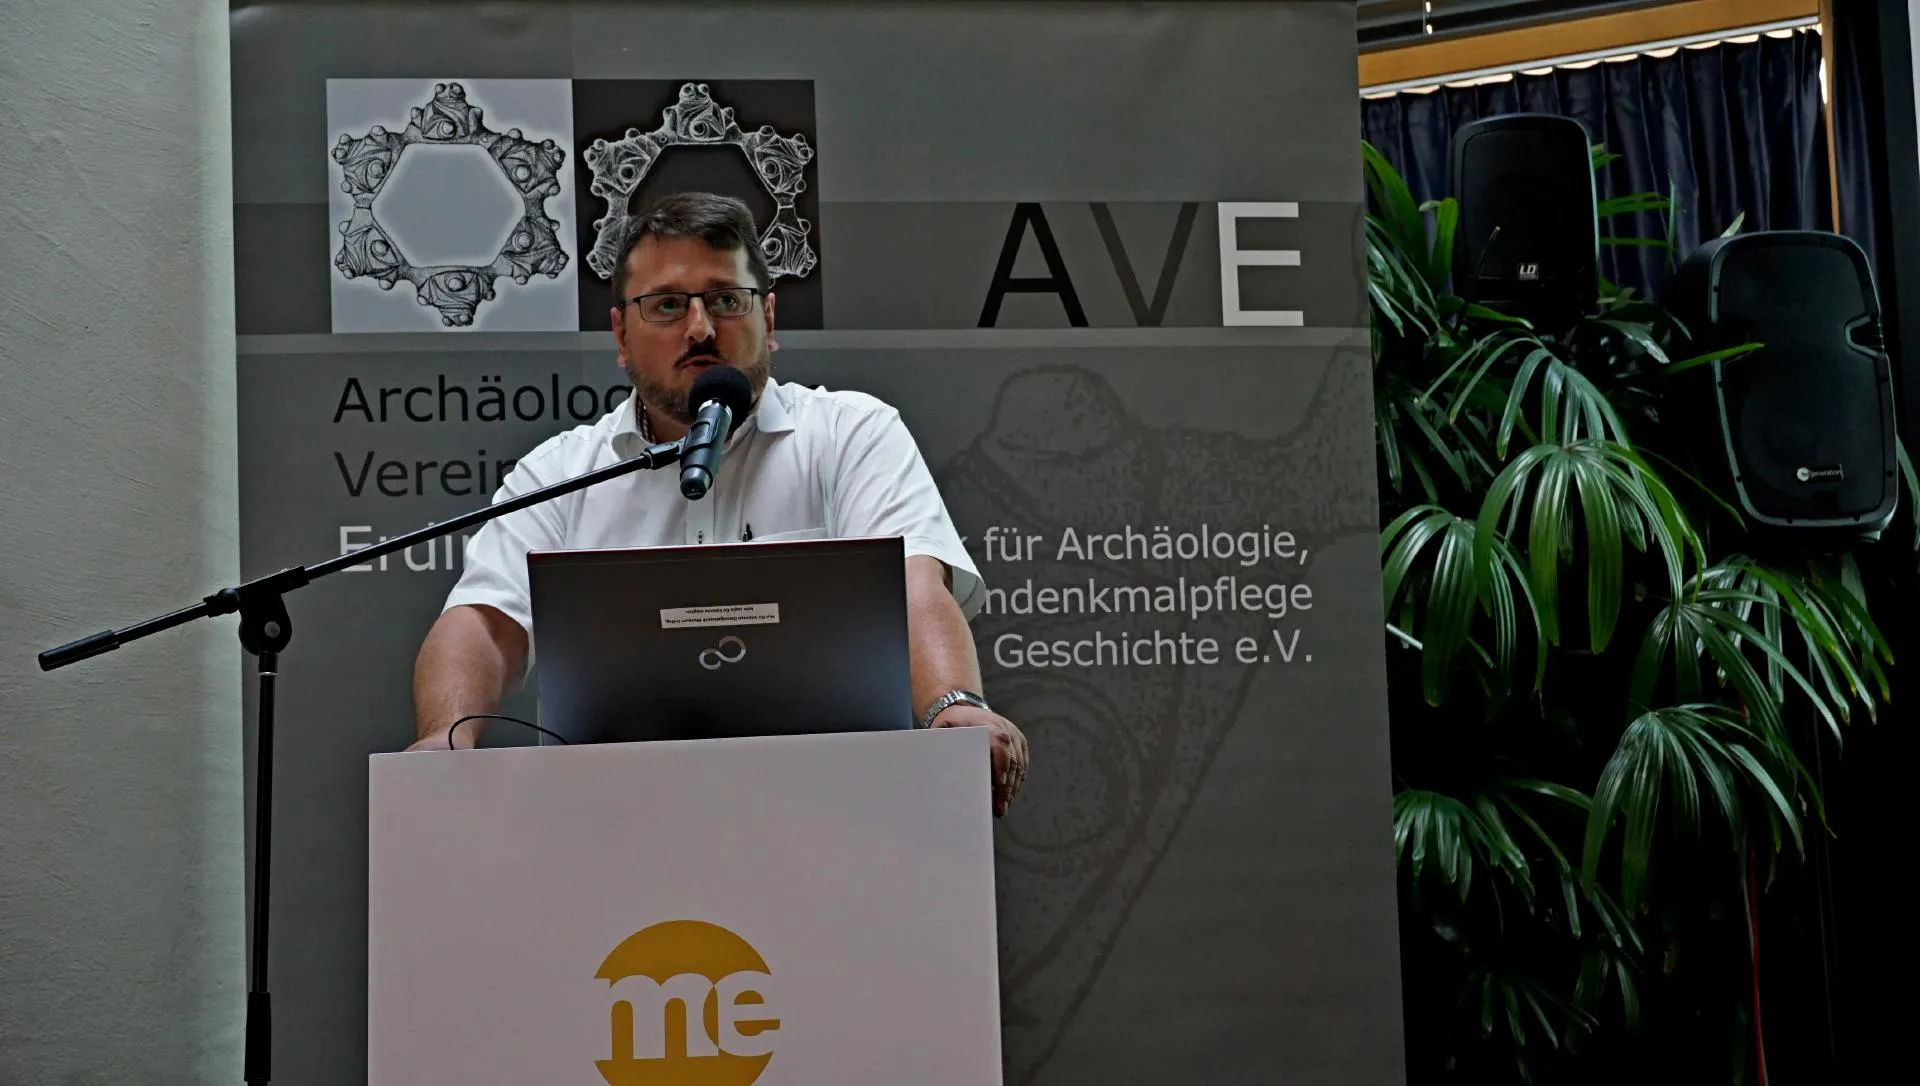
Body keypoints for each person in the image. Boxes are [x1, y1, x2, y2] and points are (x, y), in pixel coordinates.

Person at [405, 191, 1029, 816]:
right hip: (614, 821)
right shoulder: (560, 474)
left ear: (769, 319)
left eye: (726, 301)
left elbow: (912, 584)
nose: (700, 328)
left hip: (843, 812)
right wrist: (443, 739)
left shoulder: (851, 434)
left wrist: (954, 704)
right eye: (667, 305)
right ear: (621, 334)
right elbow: (484, 622)